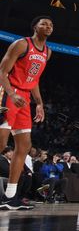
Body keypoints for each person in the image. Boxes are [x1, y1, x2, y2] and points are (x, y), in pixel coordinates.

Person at [0, 16, 54, 210]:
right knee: (1, 143)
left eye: (50, 25)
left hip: (24, 99)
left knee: (24, 145)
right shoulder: (21, 44)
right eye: (44, 23)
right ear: (34, 27)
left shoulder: (48, 52)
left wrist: (39, 103)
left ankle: (10, 196)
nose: (48, 26)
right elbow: (2, 71)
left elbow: (35, 79)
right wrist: (11, 93)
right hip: (8, 92)